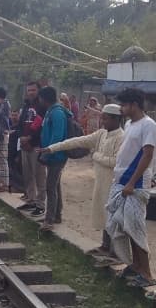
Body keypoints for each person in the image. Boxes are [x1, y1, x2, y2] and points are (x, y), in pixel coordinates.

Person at [40, 103, 124, 254]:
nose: (102, 121)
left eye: (105, 118)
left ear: (116, 119)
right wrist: (52, 148)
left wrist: (96, 156)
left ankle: (114, 252)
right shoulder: (101, 134)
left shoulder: (121, 137)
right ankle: (105, 246)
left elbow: (116, 161)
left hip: (112, 182)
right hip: (100, 181)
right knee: (103, 212)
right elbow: (77, 141)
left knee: (112, 215)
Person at [105, 88, 156, 279]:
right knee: (125, 226)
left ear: (134, 104)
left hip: (135, 185)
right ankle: (135, 265)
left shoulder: (148, 125)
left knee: (136, 227)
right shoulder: (129, 124)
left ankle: (147, 273)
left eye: (124, 105)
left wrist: (132, 183)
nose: (121, 108)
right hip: (121, 182)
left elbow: (147, 154)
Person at [37, 86, 69, 231]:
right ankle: (56, 214)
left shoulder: (57, 113)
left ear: (44, 98)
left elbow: (57, 135)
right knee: (55, 185)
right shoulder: (51, 111)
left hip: (57, 155)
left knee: (50, 186)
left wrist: (48, 151)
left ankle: (49, 220)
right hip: (52, 154)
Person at [17, 82, 46, 218]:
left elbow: (42, 127)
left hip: (36, 146)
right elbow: (21, 123)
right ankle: (30, 199)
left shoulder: (43, 106)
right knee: (28, 175)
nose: (31, 92)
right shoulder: (26, 105)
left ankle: (40, 205)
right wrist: (22, 138)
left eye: (33, 90)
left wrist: (30, 139)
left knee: (39, 176)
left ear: (38, 91)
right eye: (29, 90)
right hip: (24, 144)